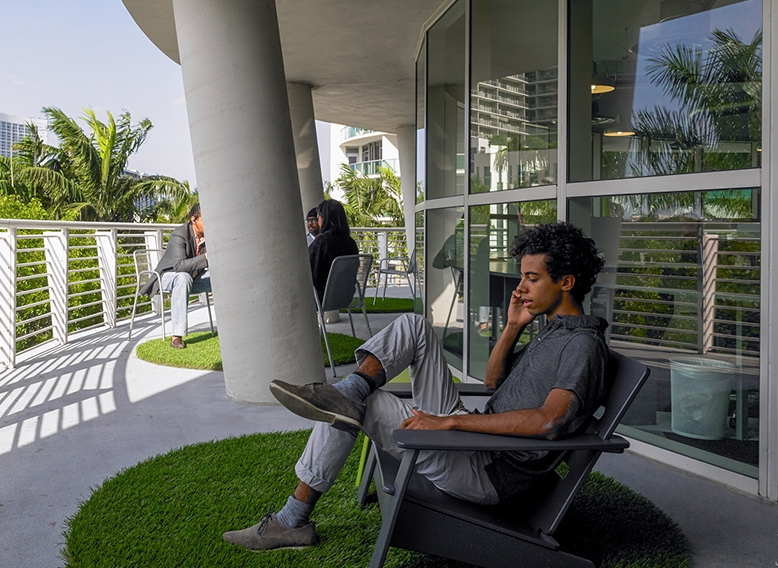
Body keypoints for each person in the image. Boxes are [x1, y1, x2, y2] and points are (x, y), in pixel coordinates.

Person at [223, 221, 608, 550]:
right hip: (478, 444)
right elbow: (494, 381)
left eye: (532, 278)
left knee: (364, 407)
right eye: (522, 276)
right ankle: (349, 390)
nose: (520, 287)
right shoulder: (553, 332)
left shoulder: (581, 345)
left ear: (566, 282)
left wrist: (449, 424)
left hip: (487, 469)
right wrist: (511, 327)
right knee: (413, 326)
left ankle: (293, 519)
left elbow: (548, 421)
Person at [138, 203, 209, 349]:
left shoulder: (209, 236)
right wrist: (206, 257)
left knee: (219, 276)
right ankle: (177, 336)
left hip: (193, 278)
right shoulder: (179, 233)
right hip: (167, 276)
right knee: (183, 277)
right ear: (193, 219)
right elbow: (179, 266)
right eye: (204, 219)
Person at [308, 199, 358, 298]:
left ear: (324, 218)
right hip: (345, 295)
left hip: (323, 296)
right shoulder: (351, 243)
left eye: (318, 217)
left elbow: (313, 275)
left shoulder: (322, 242)